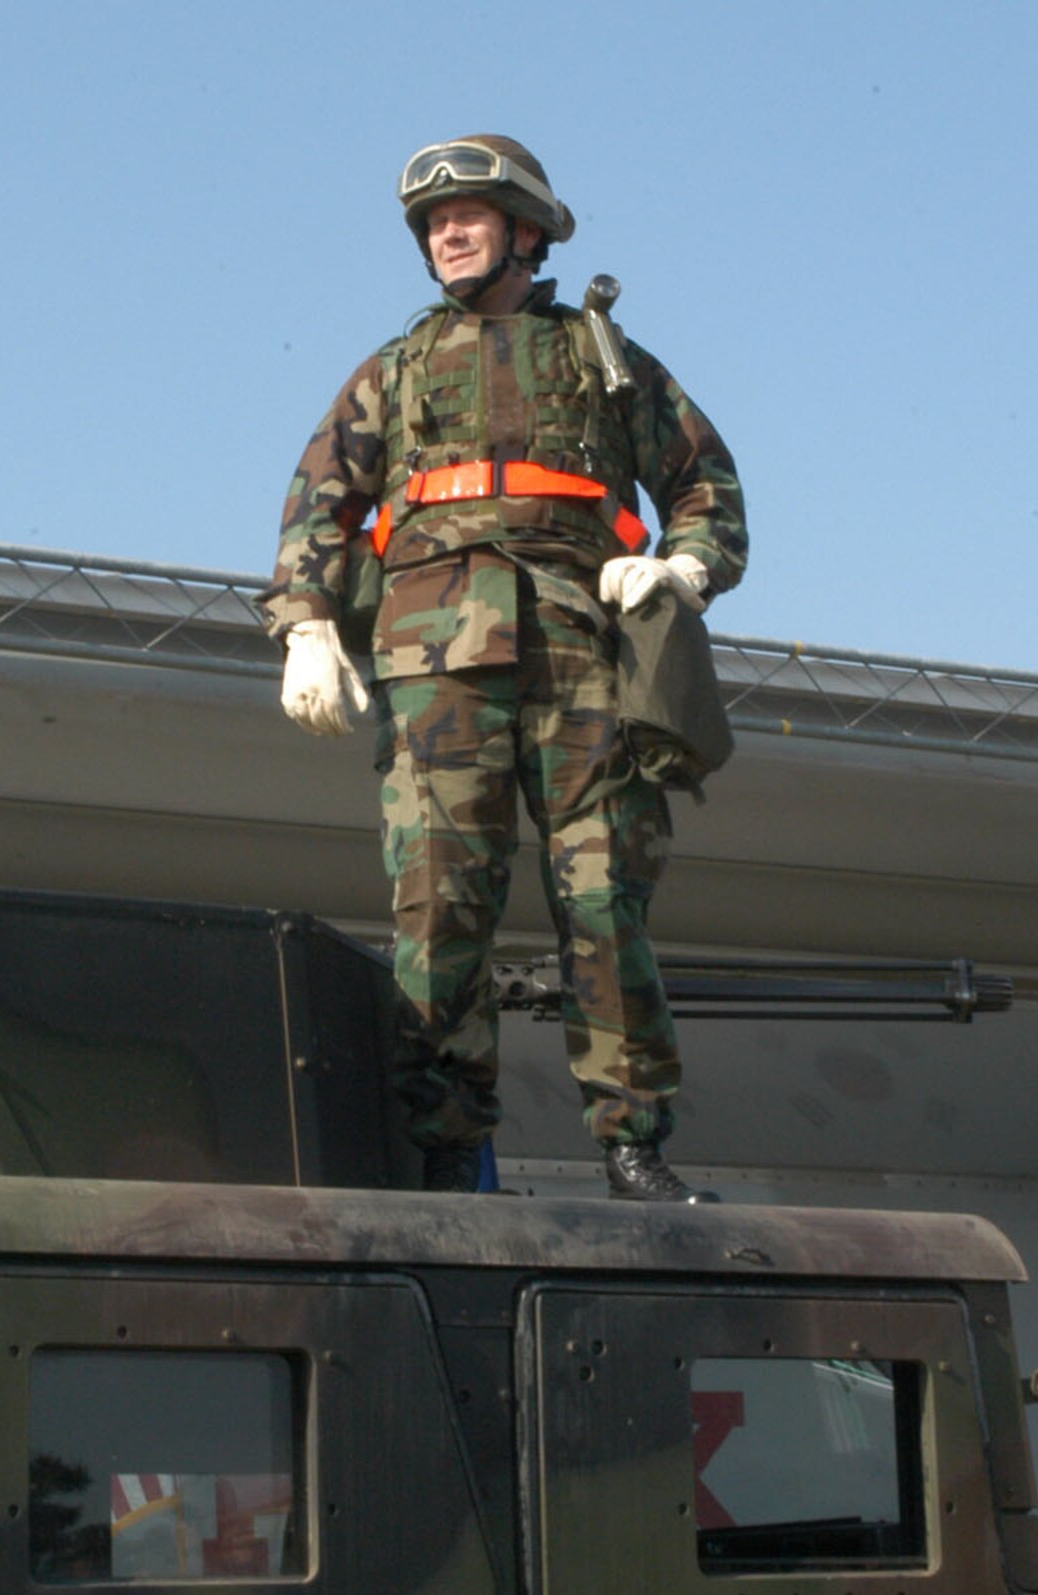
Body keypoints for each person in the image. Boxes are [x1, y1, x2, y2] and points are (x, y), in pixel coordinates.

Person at [260, 136, 747, 1199]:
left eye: (469, 215)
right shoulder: (388, 373)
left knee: (606, 900)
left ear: (527, 231)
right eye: (434, 223)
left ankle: (632, 1146)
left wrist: (679, 573)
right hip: (433, 666)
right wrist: (305, 624)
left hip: (584, 655)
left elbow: (708, 486)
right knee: (438, 911)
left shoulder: (604, 358)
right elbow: (319, 508)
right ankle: (443, 1151)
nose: (448, 234)